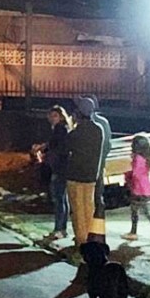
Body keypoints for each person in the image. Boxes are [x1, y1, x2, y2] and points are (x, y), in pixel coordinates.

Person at [66, 97, 105, 246]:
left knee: (77, 209)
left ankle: (81, 239)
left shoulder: (76, 132)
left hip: (75, 174)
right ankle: (89, 237)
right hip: (91, 175)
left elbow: (66, 148)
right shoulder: (98, 130)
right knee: (89, 207)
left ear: (78, 113)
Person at [122, 134, 150, 242]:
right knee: (147, 212)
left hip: (138, 188)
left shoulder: (138, 158)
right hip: (146, 187)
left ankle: (134, 232)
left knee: (135, 211)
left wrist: (128, 176)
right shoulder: (147, 157)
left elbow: (136, 174)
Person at [87, 95, 113, 240]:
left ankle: (91, 232)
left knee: (88, 200)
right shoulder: (104, 122)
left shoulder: (88, 124)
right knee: (97, 198)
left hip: (87, 169)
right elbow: (108, 145)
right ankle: (97, 232)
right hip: (99, 167)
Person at [45, 105, 72, 240]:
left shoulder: (60, 129)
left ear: (61, 117)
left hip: (60, 168)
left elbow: (59, 148)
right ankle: (62, 228)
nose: (52, 118)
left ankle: (59, 228)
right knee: (62, 198)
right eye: (51, 116)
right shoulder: (62, 129)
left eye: (55, 116)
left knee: (59, 199)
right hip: (62, 168)